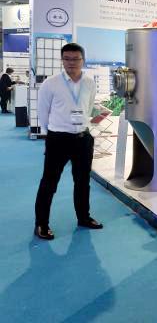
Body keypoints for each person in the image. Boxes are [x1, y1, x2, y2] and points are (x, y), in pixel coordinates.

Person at [33, 43, 102, 240]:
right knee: (49, 182)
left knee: (82, 182)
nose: (71, 63)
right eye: (67, 59)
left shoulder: (89, 83)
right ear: (62, 60)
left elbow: (88, 107)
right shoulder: (51, 83)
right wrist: (53, 133)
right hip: (58, 139)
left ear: (83, 60)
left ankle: (83, 217)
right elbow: (43, 113)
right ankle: (41, 224)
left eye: (76, 59)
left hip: (83, 139)